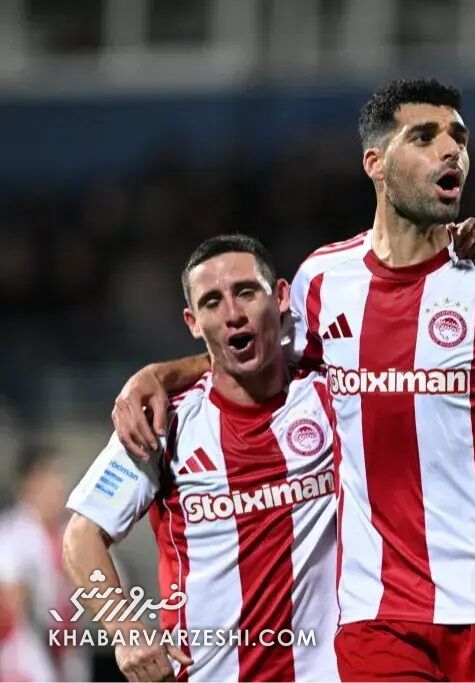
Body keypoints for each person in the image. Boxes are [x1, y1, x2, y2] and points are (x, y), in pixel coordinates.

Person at [113, 78, 475, 681]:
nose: (451, 150)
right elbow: (253, 354)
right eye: (424, 137)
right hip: (380, 623)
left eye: (459, 138)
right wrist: (162, 374)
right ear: (375, 163)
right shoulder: (323, 282)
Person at [63, 235, 340, 682]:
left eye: (245, 292)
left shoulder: (333, 399)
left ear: (281, 297)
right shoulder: (163, 421)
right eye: (212, 302)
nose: (232, 313)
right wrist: (126, 629)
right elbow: (81, 538)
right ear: (193, 322)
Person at [0, 446, 90, 682]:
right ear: (32, 482)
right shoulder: (11, 533)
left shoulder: (71, 531)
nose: (61, 489)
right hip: (26, 660)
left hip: (68, 657)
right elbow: (12, 599)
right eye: (54, 479)